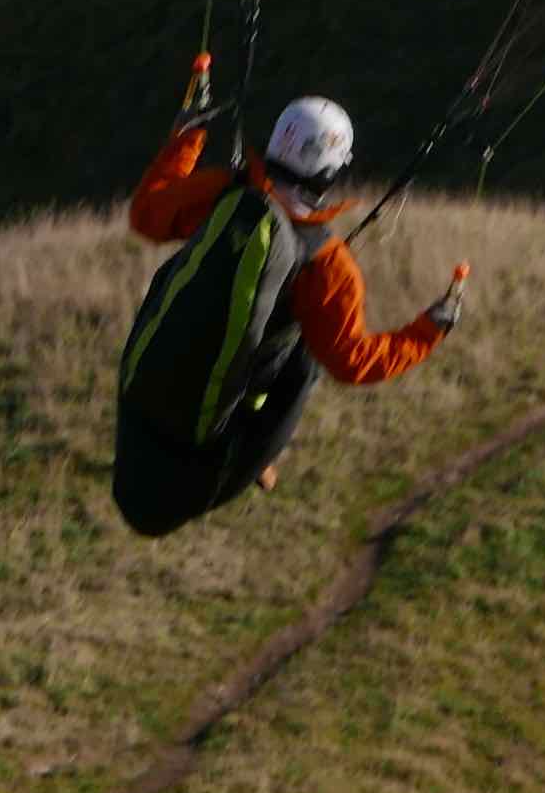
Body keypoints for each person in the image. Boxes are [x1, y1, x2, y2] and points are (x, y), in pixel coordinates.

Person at [112, 61, 463, 538]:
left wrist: (187, 137)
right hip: (223, 416)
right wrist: (429, 330)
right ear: (332, 171)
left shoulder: (222, 193)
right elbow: (352, 361)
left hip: (150, 380)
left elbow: (147, 213)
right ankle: (257, 454)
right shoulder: (327, 265)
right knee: (305, 359)